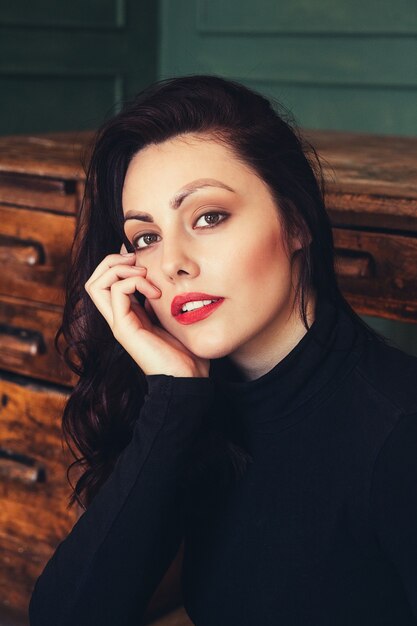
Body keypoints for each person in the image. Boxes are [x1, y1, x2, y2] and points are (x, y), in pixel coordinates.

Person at [29, 75, 417, 626]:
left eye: (208, 217)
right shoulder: (194, 405)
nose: (172, 263)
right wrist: (175, 394)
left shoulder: (401, 432)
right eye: (146, 236)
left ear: (297, 222)